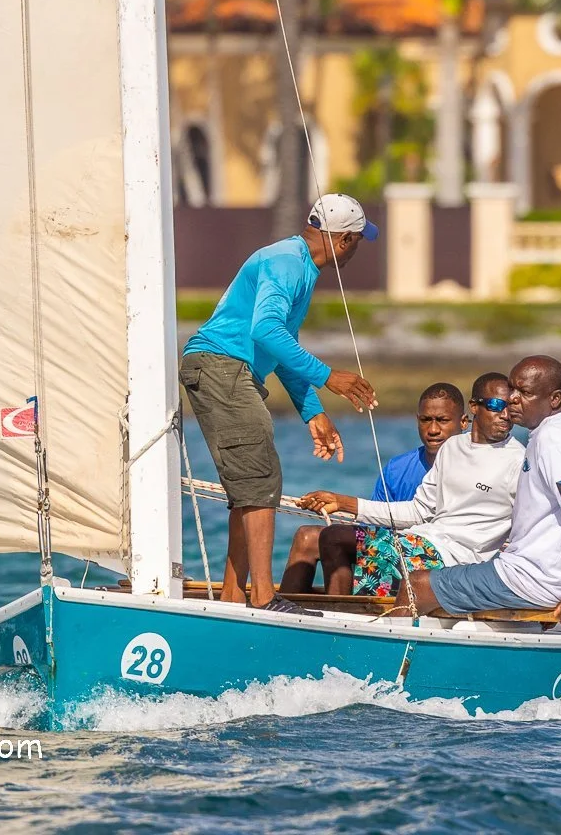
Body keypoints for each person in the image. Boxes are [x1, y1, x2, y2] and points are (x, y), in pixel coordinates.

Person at [181, 194, 379, 616]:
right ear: (343, 240)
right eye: (358, 241)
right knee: (260, 478)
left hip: (231, 369)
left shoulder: (297, 265)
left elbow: (279, 348)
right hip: (222, 366)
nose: (357, 249)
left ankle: (235, 601)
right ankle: (266, 598)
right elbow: (267, 329)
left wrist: (314, 412)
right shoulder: (288, 262)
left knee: (248, 486)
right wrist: (330, 377)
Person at [388, 355, 561, 631]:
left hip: (536, 578)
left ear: (554, 399)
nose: (513, 399)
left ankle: (383, 668)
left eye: (525, 393)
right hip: (548, 572)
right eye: (513, 389)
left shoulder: (554, 441)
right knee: (437, 589)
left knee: (417, 584)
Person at [292, 373, 522, 596]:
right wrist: (343, 503)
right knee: (333, 536)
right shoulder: (452, 447)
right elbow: (418, 511)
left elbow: (534, 527)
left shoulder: (519, 461)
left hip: (457, 560)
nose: (505, 414)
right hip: (424, 540)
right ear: (474, 407)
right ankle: (341, 618)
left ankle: (355, 618)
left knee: (378, 552)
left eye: (511, 407)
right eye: (495, 405)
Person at [278, 382, 467, 595]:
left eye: (442, 421)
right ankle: (283, 617)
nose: (433, 430)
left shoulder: (476, 467)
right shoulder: (397, 468)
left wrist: (343, 503)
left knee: (336, 538)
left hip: (442, 559)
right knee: (308, 536)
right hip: (392, 551)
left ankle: (342, 613)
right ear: (417, 420)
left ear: (463, 422)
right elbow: (372, 526)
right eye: (426, 420)